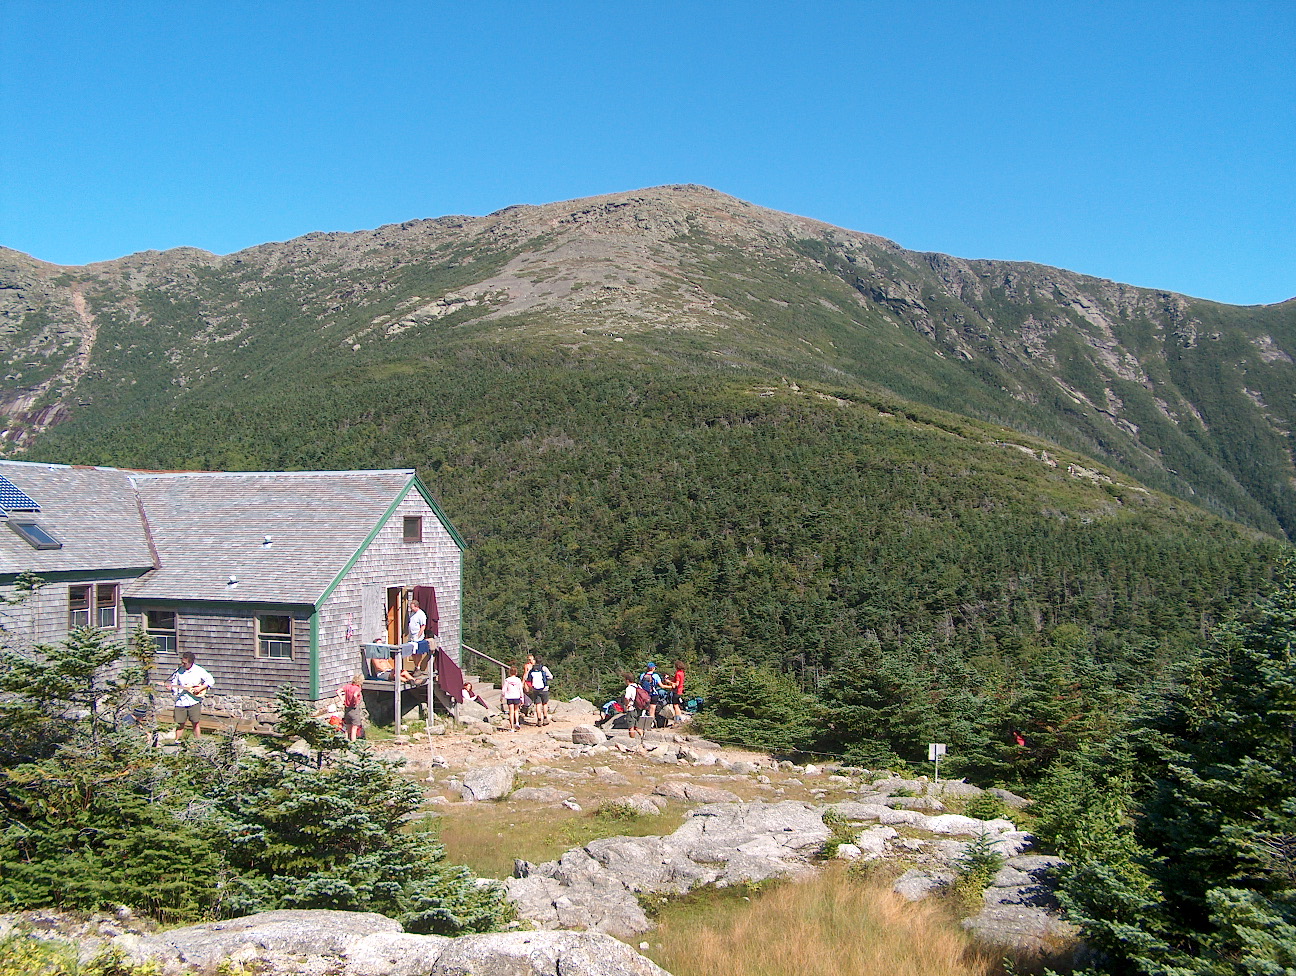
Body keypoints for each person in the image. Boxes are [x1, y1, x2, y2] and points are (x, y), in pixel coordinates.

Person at [169, 652, 214, 739]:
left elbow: (210, 680)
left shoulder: (199, 670)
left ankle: (198, 741)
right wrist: (171, 688)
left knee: (195, 722)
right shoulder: (178, 671)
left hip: (194, 701)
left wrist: (200, 688)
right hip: (181, 701)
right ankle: (177, 742)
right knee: (179, 723)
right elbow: (174, 684)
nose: (183, 664)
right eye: (182, 662)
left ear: (191, 662)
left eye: (185, 663)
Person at [525, 653, 554, 726]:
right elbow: (551, 676)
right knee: (545, 704)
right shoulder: (544, 668)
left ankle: (539, 720)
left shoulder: (532, 669)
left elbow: (526, 678)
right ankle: (545, 718)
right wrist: (545, 678)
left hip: (535, 689)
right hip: (544, 688)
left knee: (538, 704)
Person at [339, 672, 364, 741]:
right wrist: (355, 702)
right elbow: (355, 695)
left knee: (348, 728)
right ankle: (353, 744)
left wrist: (342, 699)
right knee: (354, 729)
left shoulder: (347, 686)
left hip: (347, 709)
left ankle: (346, 742)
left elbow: (338, 691)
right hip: (354, 709)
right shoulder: (357, 688)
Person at [502, 666, 524, 731]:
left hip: (509, 697)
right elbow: (520, 689)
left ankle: (512, 728)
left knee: (511, 712)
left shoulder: (507, 680)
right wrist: (522, 698)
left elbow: (504, 689)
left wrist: (502, 696)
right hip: (516, 696)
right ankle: (517, 722)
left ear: (509, 672)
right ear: (516, 673)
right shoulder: (518, 680)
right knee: (516, 711)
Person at [622, 672, 642, 737]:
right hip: (639, 708)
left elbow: (626, 698)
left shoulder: (629, 688)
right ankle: (642, 737)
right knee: (637, 726)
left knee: (631, 727)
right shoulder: (638, 686)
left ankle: (632, 741)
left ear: (627, 680)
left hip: (631, 709)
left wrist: (626, 705)